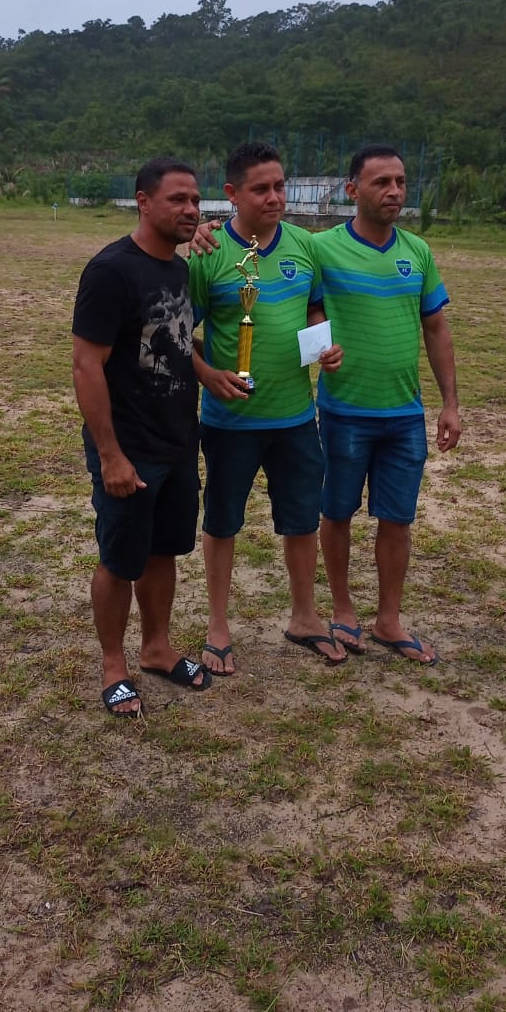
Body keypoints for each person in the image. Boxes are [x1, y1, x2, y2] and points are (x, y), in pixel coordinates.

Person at [188, 142, 345, 675]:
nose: (275, 197)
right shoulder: (207, 255)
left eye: (280, 186)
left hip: (298, 417)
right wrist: (208, 374)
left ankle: (304, 617)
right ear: (232, 194)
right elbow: (178, 332)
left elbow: (316, 306)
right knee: (223, 522)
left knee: (301, 521)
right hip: (230, 421)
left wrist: (326, 347)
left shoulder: (305, 246)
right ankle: (217, 625)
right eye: (261, 189)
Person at [72, 156, 211, 717]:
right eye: (178, 199)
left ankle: (156, 647)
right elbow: (86, 365)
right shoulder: (111, 272)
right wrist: (110, 455)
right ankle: (114, 664)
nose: (191, 209)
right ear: (143, 201)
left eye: (196, 200)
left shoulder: (178, 270)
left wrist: (208, 374)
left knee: (163, 550)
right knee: (119, 557)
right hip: (128, 448)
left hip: (178, 440)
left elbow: (175, 341)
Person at [313, 145, 461, 664]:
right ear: (353, 190)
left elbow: (436, 326)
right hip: (344, 409)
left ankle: (389, 619)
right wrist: (207, 231)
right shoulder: (321, 249)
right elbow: (267, 248)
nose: (394, 191)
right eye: (380, 182)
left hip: (403, 414)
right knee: (337, 511)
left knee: (398, 518)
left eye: (400, 181)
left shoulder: (417, 252)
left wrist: (449, 404)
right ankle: (343, 608)